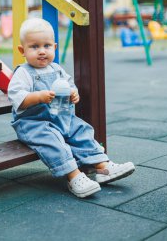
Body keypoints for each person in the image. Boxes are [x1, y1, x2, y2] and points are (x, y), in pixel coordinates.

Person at [8, 18, 135, 198]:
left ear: (55, 47)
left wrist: (73, 93)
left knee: (81, 130)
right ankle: (73, 176)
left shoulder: (57, 69)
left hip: (60, 117)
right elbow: (16, 97)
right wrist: (38, 97)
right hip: (34, 123)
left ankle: (102, 166)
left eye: (47, 46)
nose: (42, 51)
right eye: (34, 47)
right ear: (22, 50)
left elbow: (69, 85)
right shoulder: (23, 72)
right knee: (52, 140)